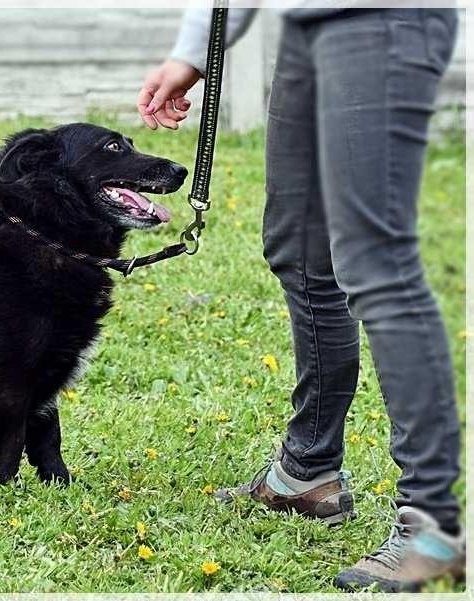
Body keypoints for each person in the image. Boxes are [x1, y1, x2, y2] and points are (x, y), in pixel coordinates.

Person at [138, 6, 463, 592]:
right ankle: (308, 469)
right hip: (308, 25)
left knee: (375, 262)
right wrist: (193, 51)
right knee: (300, 246)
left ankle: (431, 524)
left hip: (382, 19)